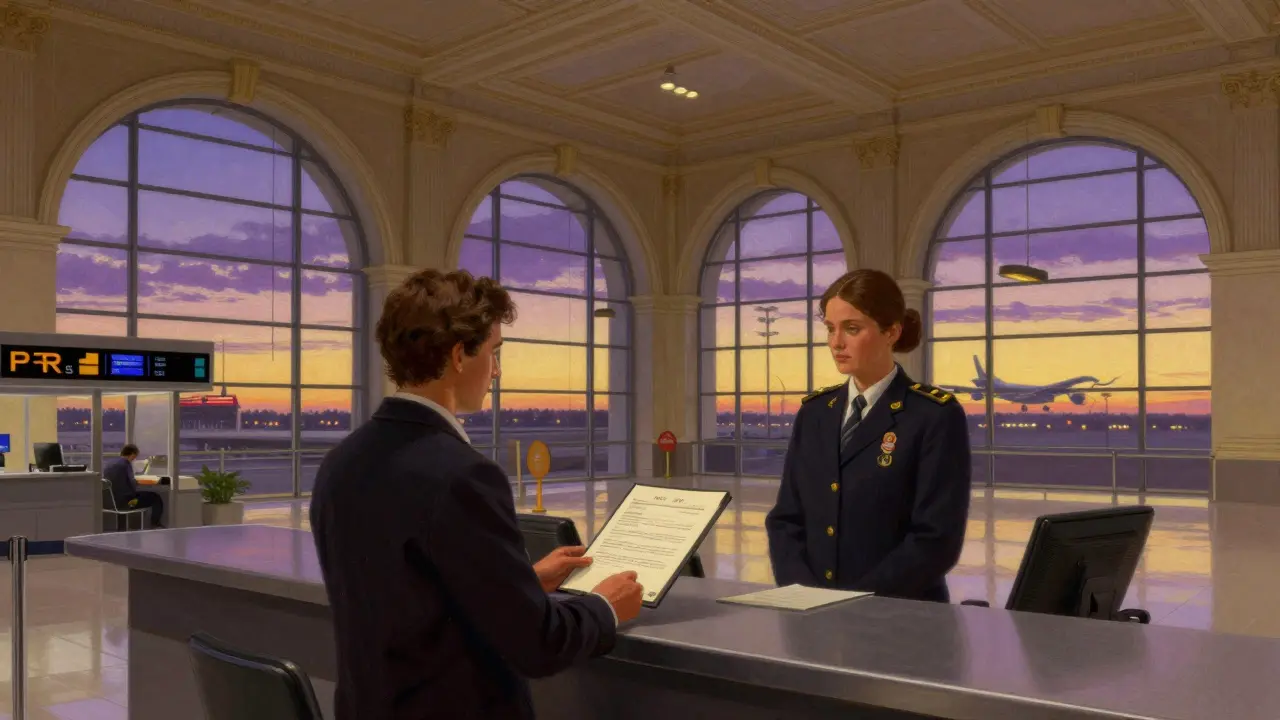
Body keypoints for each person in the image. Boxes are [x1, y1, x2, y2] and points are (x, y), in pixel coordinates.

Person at [310, 269, 644, 720]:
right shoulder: (462, 476)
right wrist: (605, 606)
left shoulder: (342, 461)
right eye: (494, 351)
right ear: (459, 356)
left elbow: (408, 593)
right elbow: (539, 645)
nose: (498, 369)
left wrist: (520, 580)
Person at [765, 269, 971, 603]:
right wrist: (801, 595)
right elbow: (786, 519)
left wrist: (855, 603)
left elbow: (935, 540)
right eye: (831, 328)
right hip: (812, 618)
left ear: (891, 332)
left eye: (852, 329)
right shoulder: (815, 413)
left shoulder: (933, 415)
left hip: (899, 618)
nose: (836, 342)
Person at [102, 444, 164, 528]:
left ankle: (121, 527)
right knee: (155, 497)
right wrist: (137, 482)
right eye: (135, 456)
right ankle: (155, 524)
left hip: (111, 502)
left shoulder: (109, 464)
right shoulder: (125, 464)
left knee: (124, 496)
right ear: (133, 454)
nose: (134, 459)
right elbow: (132, 486)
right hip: (128, 503)